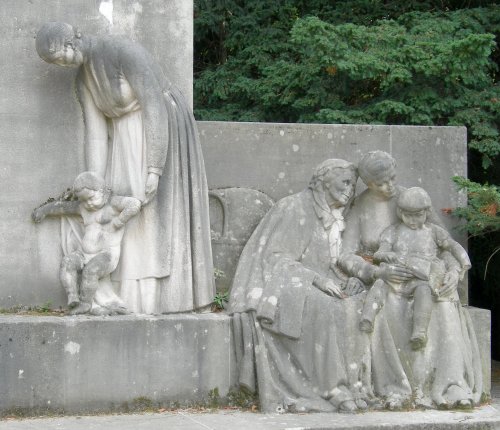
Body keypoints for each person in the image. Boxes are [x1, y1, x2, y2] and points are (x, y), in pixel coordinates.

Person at [35, 22, 214, 314]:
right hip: (122, 140)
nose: (62, 63)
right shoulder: (83, 80)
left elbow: (154, 104)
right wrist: (95, 183)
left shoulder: (122, 51)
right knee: (125, 216)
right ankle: (129, 297)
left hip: (158, 131)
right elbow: (95, 135)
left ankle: (159, 299)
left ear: (73, 39)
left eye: (61, 54)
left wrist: (155, 167)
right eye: (55, 61)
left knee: (151, 213)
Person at [339, 151, 482, 409]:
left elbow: (443, 246)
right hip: (385, 277)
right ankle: (396, 388)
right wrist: (373, 272)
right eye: (380, 184)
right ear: (368, 184)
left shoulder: (412, 198)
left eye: (392, 178)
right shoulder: (360, 207)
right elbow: (345, 255)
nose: (389, 186)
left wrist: (452, 272)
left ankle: (451, 385)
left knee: (442, 304)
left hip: (425, 278)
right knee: (389, 307)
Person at [228, 159, 374, 414]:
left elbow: (333, 260)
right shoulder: (294, 207)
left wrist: (351, 278)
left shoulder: (335, 217)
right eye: (345, 182)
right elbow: (275, 257)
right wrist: (316, 279)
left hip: (321, 280)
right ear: (325, 181)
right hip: (283, 281)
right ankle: (333, 388)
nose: (350, 189)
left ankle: (355, 385)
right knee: (325, 308)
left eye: (353, 184)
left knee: (359, 306)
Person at [359, 187, 471, 351]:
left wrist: (464, 261)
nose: (412, 220)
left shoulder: (433, 231)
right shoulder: (393, 231)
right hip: (398, 275)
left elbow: (451, 246)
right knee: (379, 285)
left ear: (426, 212)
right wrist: (386, 255)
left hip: (421, 276)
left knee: (424, 291)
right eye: (408, 215)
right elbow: (380, 253)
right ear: (399, 212)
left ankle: (419, 331)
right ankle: (367, 317)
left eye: (417, 215)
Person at [32, 172, 141, 315]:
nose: (88, 203)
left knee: (91, 271)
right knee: (67, 262)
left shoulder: (113, 204)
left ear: (103, 191)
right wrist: (44, 210)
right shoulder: (83, 207)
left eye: (91, 198)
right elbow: (63, 207)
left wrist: (119, 221)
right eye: (83, 200)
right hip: (84, 254)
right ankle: (73, 297)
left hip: (107, 255)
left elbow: (134, 204)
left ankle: (85, 304)